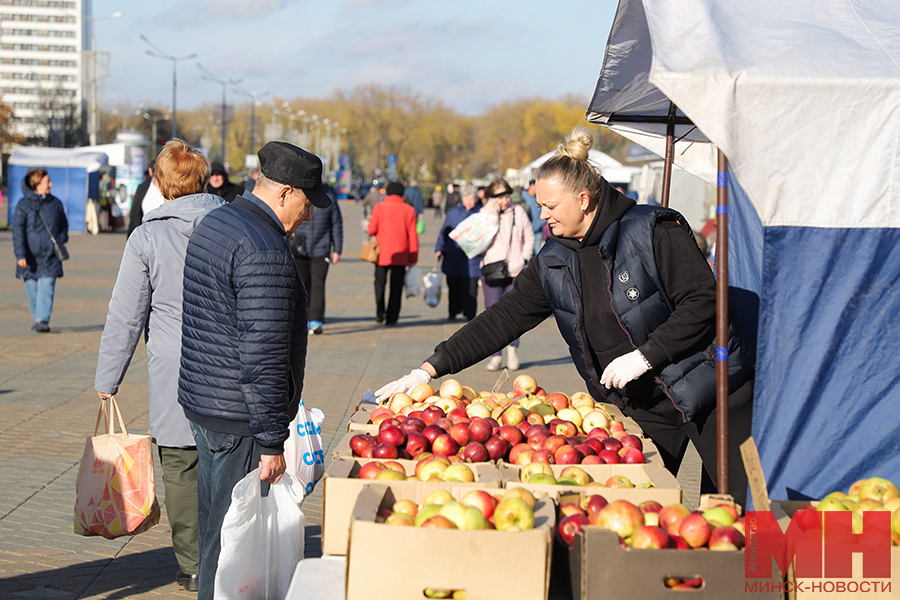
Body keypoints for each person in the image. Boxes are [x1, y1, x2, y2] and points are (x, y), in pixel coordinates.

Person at [374, 128, 754, 505]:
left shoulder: (655, 231)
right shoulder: (554, 259)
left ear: (584, 200)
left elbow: (704, 302)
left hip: (713, 393)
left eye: (550, 207)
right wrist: (430, 368)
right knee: (637, 508)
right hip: (645, 409)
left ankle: (761, 565)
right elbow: (503, 318)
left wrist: (646, 356)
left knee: (738, 509)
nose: (542, 216)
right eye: (539, 205)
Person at [177, 141, 332, 600]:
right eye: (307, 202)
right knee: (232, 546)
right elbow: (262, 352)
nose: (309, 215)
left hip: (207, 405)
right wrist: (270, 441)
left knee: (217, 535)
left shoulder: (218, 221)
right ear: (284, 193)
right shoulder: (263, 247)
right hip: (240, 419)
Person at [94, 140, 224, 593]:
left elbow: (126, 314)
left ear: (159, 181)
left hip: (174, 371)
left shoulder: (147, 237)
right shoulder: (234, 229)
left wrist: (107, 378)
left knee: (182, 468)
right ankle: (227, 555)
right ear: (204, 178)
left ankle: (192, 565)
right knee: (227, 463)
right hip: (229, 367)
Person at [478, 178, 534, 371]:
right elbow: (479, 241)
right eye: (500, 196)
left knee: (514, 313)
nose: (504, 200)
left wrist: (525, 259)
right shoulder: (484, 215)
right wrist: (493, 217)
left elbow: (529, 236)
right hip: (492, 270)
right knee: (493, 313)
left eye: (506, 195)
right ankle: (495, 355)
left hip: (515, 271)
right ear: (491, 198)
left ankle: (512, 351)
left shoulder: (518, 212)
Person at [13, 168, 68, 333]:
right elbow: (18, 232)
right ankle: (38, 318)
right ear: (36, 185)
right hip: (29, 258)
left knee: (47, 286)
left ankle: (42, 320)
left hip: (50, 256)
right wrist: (20, 255)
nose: (51, 184)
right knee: (33, 289)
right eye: (47, 182)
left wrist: (60, 239)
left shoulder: (55, 203)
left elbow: (64, 226)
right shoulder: (23, 205)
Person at [288, 184, 344, 335]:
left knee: (318, 285)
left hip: (321, 249)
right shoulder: (298, 195)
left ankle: (316, 320)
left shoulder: (329, 198)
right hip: (299, 248)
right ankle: (301, 318)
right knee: (301, 285)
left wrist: (337, 249)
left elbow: (337, 224)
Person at [367, 179, 418, 326]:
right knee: (396, 288)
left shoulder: (379, 207)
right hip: (401, 254)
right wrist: (413, 257)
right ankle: (392, 317)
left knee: (379, 283)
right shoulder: (409, 210)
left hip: (382, 254)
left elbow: (371, 230)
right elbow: (412, 236)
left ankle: (379, 312)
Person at [435, 185, 482, 322]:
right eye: (467, 198)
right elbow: (443, 233)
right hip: (453, 256)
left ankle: (470, 313)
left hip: (472, 258)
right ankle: (453, 311)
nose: (470, 202)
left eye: (472, 199)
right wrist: (439, 249)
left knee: (471, 287)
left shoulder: (481, 213)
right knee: (453, 285)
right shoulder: (453, 213)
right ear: (462, 199)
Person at [520, 179, 544, 256]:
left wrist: (539, 224)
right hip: (526, 231)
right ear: (530, 187)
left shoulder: (539, 198)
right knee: (527, 253)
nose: (534, 189)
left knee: (537, 253)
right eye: (533, 187)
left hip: (537, 231)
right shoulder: (523, 197)